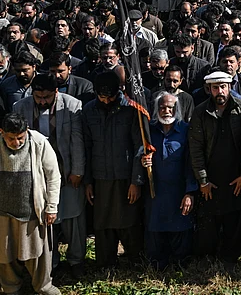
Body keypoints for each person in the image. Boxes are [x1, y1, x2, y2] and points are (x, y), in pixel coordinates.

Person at [13, 74, 87, 278]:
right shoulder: (20, 107)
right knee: (45, 220)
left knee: (73, 218)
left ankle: (76, 260)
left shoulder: (72, 105)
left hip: (67, 169)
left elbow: (77, 140)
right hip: (36, 174)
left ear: (56, 92)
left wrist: (78, 170)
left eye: (46, 97)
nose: (42, 101)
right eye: (38, 97)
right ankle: (50, 263)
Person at [82, 71, 145, 269]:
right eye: (102, 97)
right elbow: (86, 147)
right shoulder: (89, 110)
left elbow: (139, 147)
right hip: (100, 177)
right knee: (102, 222)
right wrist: (88, 182)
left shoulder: (131, 109)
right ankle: (106, 263)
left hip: (125, 176)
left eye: (110, 97)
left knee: (129, 220)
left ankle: (134, 260)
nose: (106, 101)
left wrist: (136, 181)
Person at [188, 71, 241, 264]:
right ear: (209, 89)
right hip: (211, 176)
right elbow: (195, 149)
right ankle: (207, 256)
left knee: (235, 219)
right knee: (209, 220)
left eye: (223, 87)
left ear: (230, 87)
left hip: (236, 176)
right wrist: (203, 180)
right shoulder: (200, 112)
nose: (220, 91)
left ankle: (231, 256)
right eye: (215, 88)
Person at [0, 112, 61, 295]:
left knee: (38, 253)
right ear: (2, 132)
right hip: (3, 211)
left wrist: (51, 207)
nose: (16, 142)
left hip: (32, 210)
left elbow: (53, 176)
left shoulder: (39, 142)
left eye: (20, 137)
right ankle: (10, 288)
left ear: (26, 130)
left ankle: (44, 286)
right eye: (11, 138)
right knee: (5, 253)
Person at [140, 92, 197, 270]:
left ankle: (180, 263)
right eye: (162, 107)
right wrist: (143, 160)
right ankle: (158, 263)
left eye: (170, 108)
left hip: (179, 191)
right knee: (155, 227)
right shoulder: (148, 130)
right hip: (155, 191)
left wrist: (190, 192)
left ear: (177, 109)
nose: (166, 111)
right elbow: (140, 151)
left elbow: (192, 163)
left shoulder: (185, 130)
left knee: (180, 226)